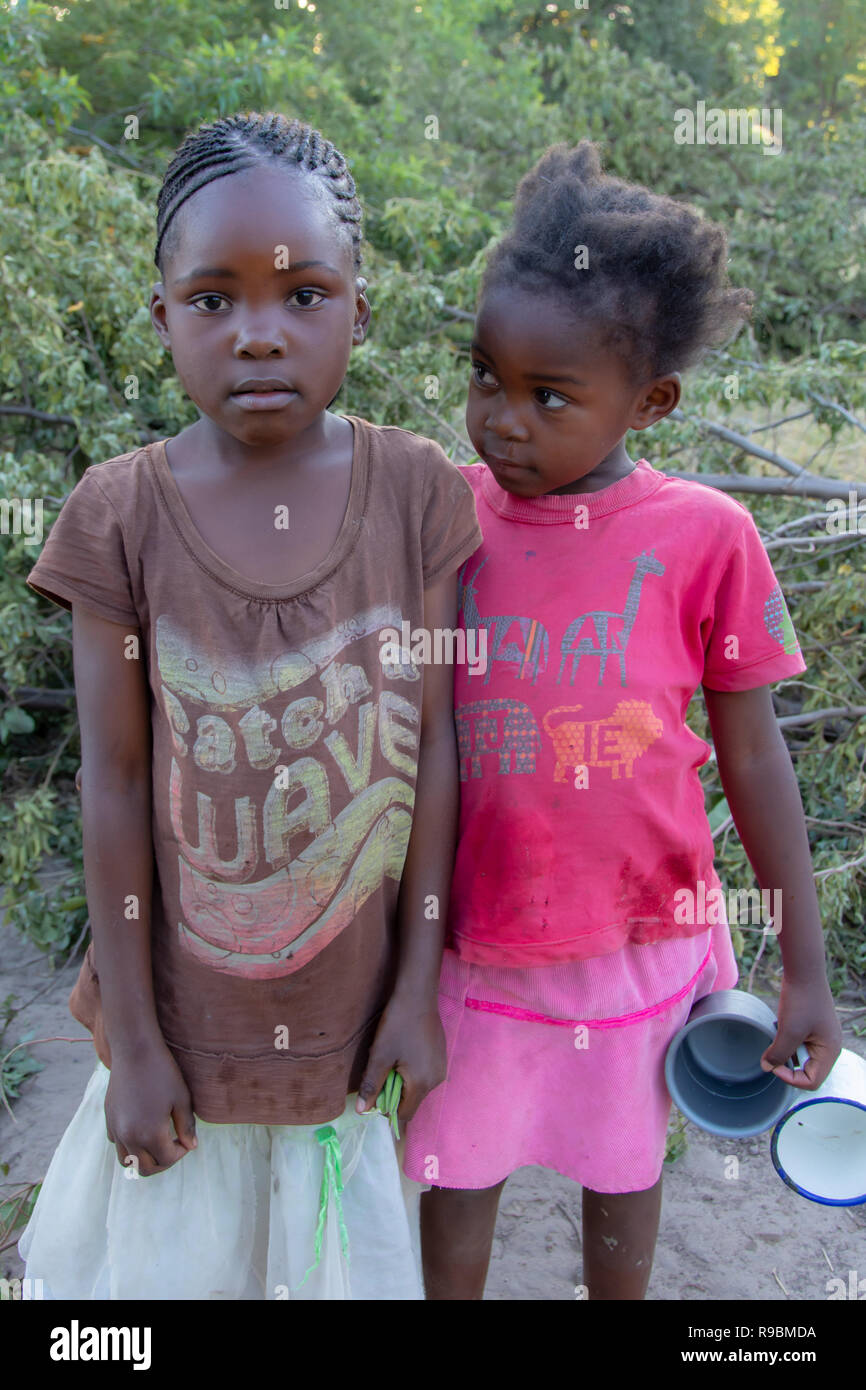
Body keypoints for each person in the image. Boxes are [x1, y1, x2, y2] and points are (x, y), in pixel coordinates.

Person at [19, 112, 482, 1300]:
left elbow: (433, 744)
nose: (260, 334)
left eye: (304, 294)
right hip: (177, 1034)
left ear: (360, 313)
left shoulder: (416, 495)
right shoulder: (118, 516)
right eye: (214, 299)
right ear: (161, 316)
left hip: (350, 1035)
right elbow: (115, 780)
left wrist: (418, 988)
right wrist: (131, 1040)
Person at [402, 140, 843, 1300]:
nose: (500, 417)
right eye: (484, 375)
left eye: (547, 395)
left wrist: (806, 963)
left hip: (637, 935)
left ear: (648, 403)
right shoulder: (444, 514)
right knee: (455, 1171)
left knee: (621, 1165)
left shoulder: (704, 536)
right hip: (472, 932)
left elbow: (752, 756)